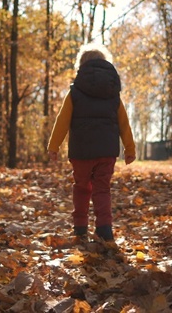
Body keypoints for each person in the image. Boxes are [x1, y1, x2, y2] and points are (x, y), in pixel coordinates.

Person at [47, 43, 136, 242]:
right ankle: (104, 229)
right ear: (105, 66)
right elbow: (124, 122)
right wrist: (129, 148)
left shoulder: (75, 92)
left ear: (81, 67)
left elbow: (62, 120)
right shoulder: (113, 94)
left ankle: (80, 227)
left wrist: (54, 146)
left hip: (81, 152)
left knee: (81, 187)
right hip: (107, 152)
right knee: (102, 188)